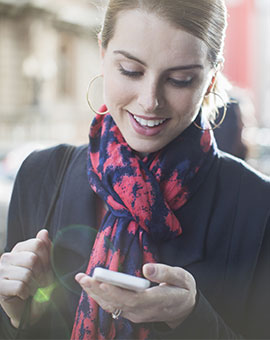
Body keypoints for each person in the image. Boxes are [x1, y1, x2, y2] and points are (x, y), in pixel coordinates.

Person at [0, 0, 269, 339]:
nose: (149, 101)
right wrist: (17, 313)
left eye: (180, 79)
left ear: (212, 79)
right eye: (131, 70)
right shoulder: (40, 176)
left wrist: (190, 317)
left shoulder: (259, 207)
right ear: (103, 53)